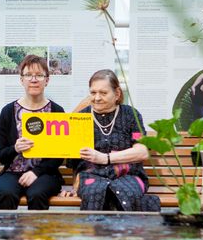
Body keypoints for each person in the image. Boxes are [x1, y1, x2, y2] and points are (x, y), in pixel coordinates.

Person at [62, 69, 160, 212]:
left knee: (126, 192)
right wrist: (74, 186)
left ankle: (127, 234)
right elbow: (73, 160)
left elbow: (142, 151)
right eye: (93, 92)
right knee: (95, 192)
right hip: (91, 176)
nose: (96, 98)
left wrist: (105, 158)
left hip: (128, 175)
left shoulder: (130, 115)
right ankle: (96, 233)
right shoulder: (81, 117)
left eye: (103, 93)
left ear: (117, 93)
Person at [0, 55, 65, 210]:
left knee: (37, 193)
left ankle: (36, 235)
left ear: (47, 80)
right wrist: (15, 148)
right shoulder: (8, 111)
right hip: (12, 172)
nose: (34, 80)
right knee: (6, 193)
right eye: (28, 75)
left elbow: (59, 154)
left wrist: (36, 172)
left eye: (39, 75)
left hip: (45, 174)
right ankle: (7, 234)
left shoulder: (56, 111)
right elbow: (0, 154)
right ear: (21, 80)